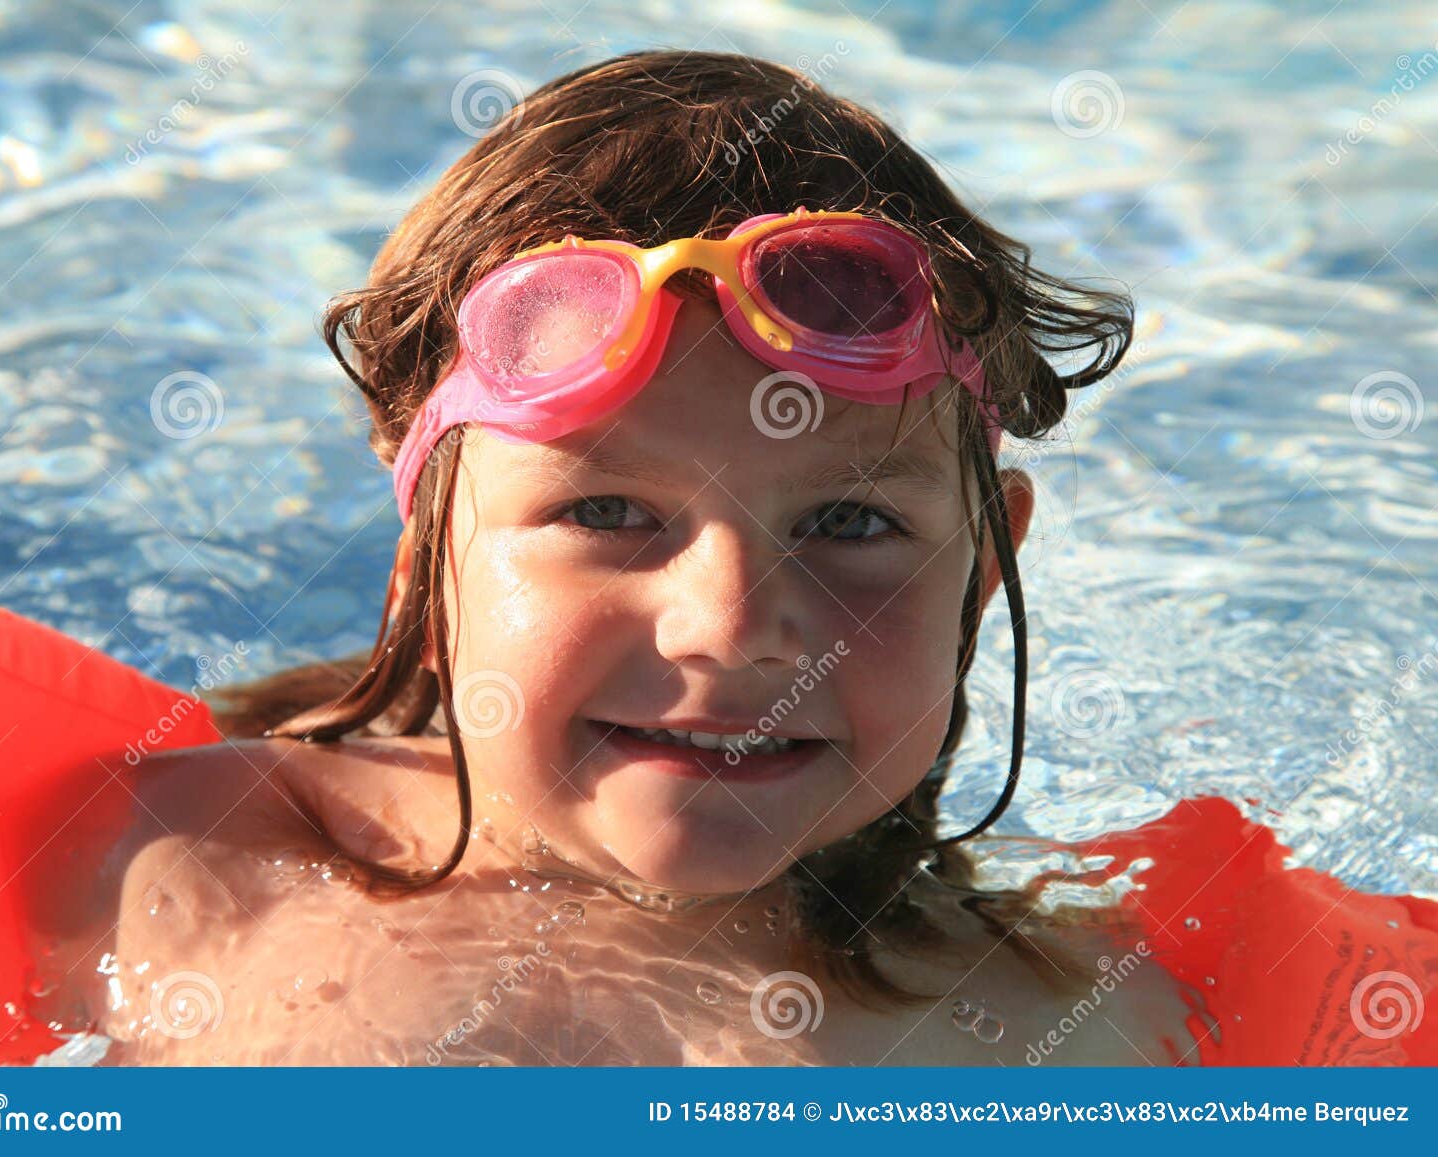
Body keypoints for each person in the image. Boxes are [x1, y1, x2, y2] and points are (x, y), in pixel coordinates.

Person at [74, 48, 1197, 1066]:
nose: (732, 623)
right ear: (427, 564)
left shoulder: (1076, 1014)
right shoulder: (160, 865)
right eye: (606, 510)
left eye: (850, 524)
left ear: (983, 573)